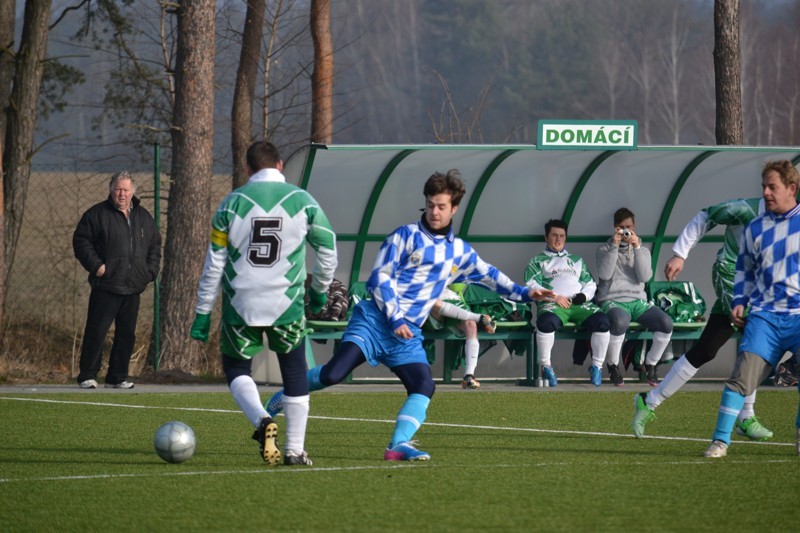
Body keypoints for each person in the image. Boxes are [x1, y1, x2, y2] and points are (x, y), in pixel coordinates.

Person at [264, 169, 555, 461]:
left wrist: (525, 292)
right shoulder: (404, 236)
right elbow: (380, 278)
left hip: (407, 333)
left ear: (454, 208)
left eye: (441, 206)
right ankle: (284, 395)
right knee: (333, 374)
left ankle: (397, 445)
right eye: (430, 205)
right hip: (374, 322)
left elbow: (489, 275)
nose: (434, 212)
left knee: (423, 386)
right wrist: (396, 318)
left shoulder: (458, 251)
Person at [190, 141, 337, 466]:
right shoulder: (303, 201)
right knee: (294, 371)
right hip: (286, 304)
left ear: (247, 169)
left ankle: (262, 419)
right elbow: (328, 247)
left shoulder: (231, 205)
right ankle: (294, 451)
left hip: (241, 305)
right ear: (280, 165)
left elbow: (214, 265)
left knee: (237, 369)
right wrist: (319, 291)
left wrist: (203, 312)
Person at [631, 197, 774, 440]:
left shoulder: (789, 219)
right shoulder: (746, 209)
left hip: (754, 286)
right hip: (728, 273)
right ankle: (746, 416)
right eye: (767, 185)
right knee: (755, 335)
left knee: (706, 350)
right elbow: (706, 214)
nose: (768, 191)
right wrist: (680, 254)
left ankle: (649, 401)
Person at [705, 160, 800, 458]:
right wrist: (738, 301)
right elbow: (744, 269)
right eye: (764, 187)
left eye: (773, 187)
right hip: (764, 319)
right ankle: (720, 441)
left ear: (791, 188)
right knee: (740, 379)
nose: (766, 193)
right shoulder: (755, 227)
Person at [72, 171, 162, 389]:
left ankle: (117, 377)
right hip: (107, 284)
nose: (122, 194)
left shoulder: (144, 217)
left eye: (126, 190)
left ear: (133, 192)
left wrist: (149, 272)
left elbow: (155, 245)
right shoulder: (97, 214)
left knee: (127, 334)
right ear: (111, 190)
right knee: (97, 331)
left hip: (133, 286)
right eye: (118, 189)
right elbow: (81, 241)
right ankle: (87, 375)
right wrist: (98, 267)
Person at [524, 219, 613, 387]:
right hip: (553, 305)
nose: (558, 239)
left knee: (603, 321)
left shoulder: (577, 260)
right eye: (554, 235)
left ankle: (597, 367)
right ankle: (546, 366)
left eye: (562, 236)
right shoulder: (537, 261)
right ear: (546, 237)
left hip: (579, 304)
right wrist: (555, 297)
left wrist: (583, 296)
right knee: (545, 322)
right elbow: (531, 285)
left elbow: (590, 283)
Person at [596, 207, 673, 386]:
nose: (626, 231)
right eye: (622, 228)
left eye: (629, 227)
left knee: (665, 323)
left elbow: (645, 277)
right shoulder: (604, 248)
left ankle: (651, 364)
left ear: (634, 226)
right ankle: (613, 365)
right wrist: (614, 247)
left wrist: (636, 247)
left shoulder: (642, 250)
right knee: (620, 321)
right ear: (615, 228)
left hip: (638, 301)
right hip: (613, 300)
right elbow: (605, 275)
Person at [428, 284, 497, 389]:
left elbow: (457, 285)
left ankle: (469, 376)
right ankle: (478, 318)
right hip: (426, 308)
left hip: (449, 298)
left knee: (471, 324)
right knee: (432, 302)